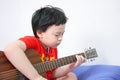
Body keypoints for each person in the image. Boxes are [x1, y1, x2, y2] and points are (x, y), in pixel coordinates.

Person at [4, 5, 86, 80]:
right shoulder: (33, 41)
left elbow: (51, 74)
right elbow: (10, 49)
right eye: (57, 35)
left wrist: (71, 66)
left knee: (71, 76)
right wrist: (36, 77)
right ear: (40, 33)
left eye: (62, 34)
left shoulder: (53, 49)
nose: (60, 38)